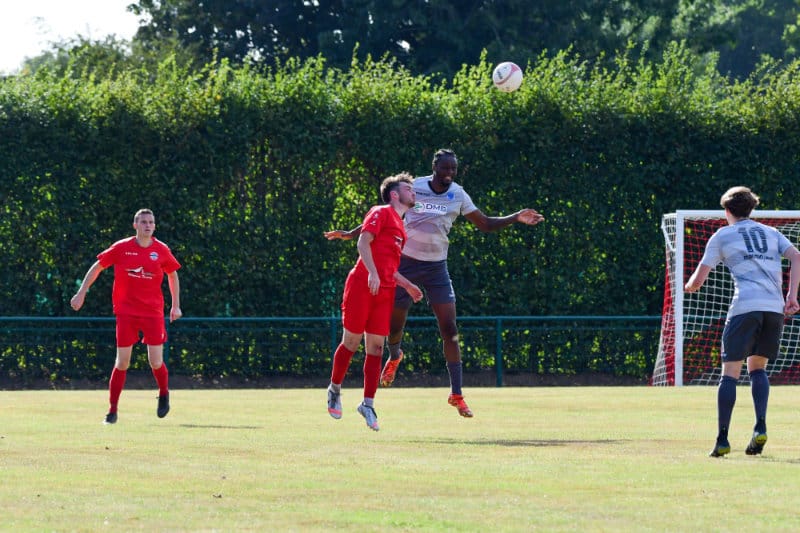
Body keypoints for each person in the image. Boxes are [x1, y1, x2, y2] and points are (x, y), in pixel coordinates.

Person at [325, 148, 544, 417]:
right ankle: (395, 355)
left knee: (450, 328)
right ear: (434, 167)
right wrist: (351, 234)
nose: (449, 173)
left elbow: (485, 223)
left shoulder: (458, 194)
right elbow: (385, 216)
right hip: (404, 263)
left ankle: (457, 394)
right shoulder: (413, 188)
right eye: (445, 168)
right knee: (393, 326)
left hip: (436, 267)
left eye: (453, 169)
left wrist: (516, 217)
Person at [685, 186, 800, 457]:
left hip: (745, 307)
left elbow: (698, 280)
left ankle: (722, 440)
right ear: (751, 208)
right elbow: (796, 256)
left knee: (730, 373)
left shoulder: (723, 235)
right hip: (773, 309)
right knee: (758, 368)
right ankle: (760, 427)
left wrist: (689, 286)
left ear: (727, 210)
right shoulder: (771, 232)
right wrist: (792, 296)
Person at [327, 172, 423, 431]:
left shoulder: (401, 227)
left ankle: (367, 404)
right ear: (394, 194)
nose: (413, 192)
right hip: (362, 284)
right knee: (351, 341)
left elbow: (390, 268)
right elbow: (363, 242)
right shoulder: (381, 212)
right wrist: (372, 272)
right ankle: (334, 389)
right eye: (408, 189)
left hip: (385, 290)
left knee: (377, 348)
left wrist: (408, 285)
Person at [70, 208, 182, 424]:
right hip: (126, 312)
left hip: (152, 312)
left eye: (151, 222)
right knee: (122, 362)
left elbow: (173, 275)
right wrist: (81, 292)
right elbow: (97, 267)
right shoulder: (122, 247)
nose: (148, 225)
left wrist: (176, 305)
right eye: (143, 222)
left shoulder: (161, 250)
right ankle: (112, 411)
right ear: (135, 225)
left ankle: (164, 393)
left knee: (156, 361)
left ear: (154, 226)